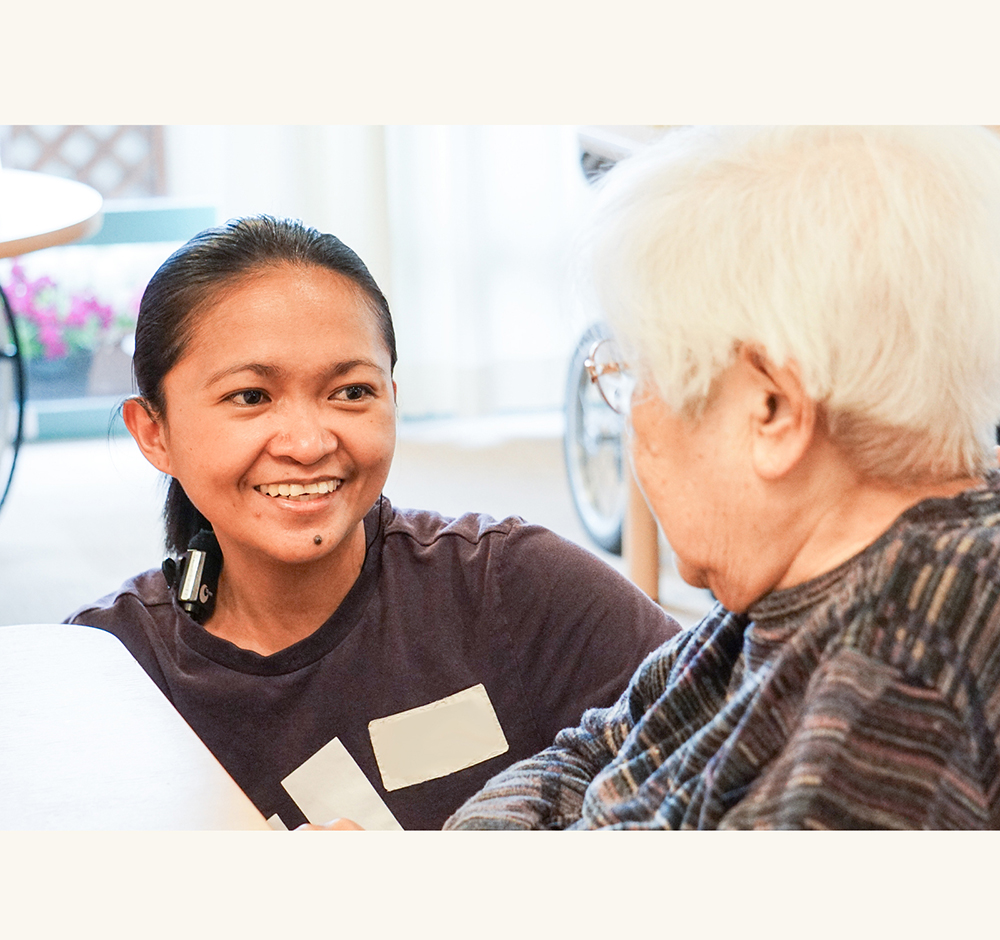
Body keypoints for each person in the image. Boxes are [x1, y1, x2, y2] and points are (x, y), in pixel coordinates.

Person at [444, 125, 1000, 830]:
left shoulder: (905, 669)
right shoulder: (781, 593)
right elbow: (582, 758)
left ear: (772, 410)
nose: (633, 417)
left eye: (639, 373)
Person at [64, 216, 677, 830]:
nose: (307, 443)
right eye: (251, 397)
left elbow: (739, 743)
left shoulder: (514, 585)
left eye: (352, 392)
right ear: (154, 431)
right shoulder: (100, 669)